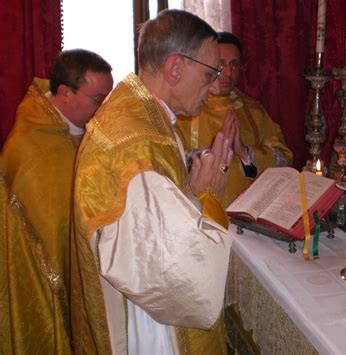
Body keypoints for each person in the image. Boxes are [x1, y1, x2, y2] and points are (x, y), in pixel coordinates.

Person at [71, 10, 233, 354]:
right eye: (210, 73)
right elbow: (174, 275)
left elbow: (148, 230)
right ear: (175, 68)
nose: (216, 86)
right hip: (151, 326)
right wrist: (207, 197)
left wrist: (184, 193)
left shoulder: (136, 112)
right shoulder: (139, 141)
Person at [0, 49, 113, 354]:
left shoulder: (88, 130)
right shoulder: (28, 144)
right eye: (97, 99)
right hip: (47, 283)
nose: (104, 109)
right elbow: (50, 231)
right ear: (65, 92)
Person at [176, 31, 293, 206]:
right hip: (201, 215)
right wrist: (215, 152)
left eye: (234, 64)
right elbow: (168, 162)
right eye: (221, 64)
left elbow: (284, 158)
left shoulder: (253, 111)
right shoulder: (183, 110)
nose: (229, 72)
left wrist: (245, 153)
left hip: (250, 217)